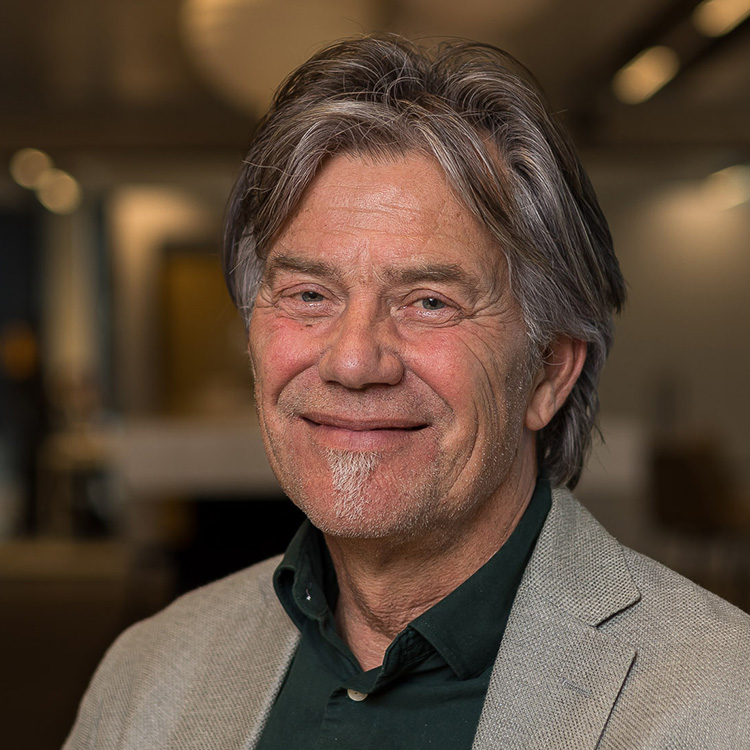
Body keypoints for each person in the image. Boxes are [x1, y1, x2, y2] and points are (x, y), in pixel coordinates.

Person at [65, 35, 750, 749]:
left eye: (429, 302)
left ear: (548, 371)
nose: (354, 360)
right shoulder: (147, 676)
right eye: (309, 294)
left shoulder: (724, 702)